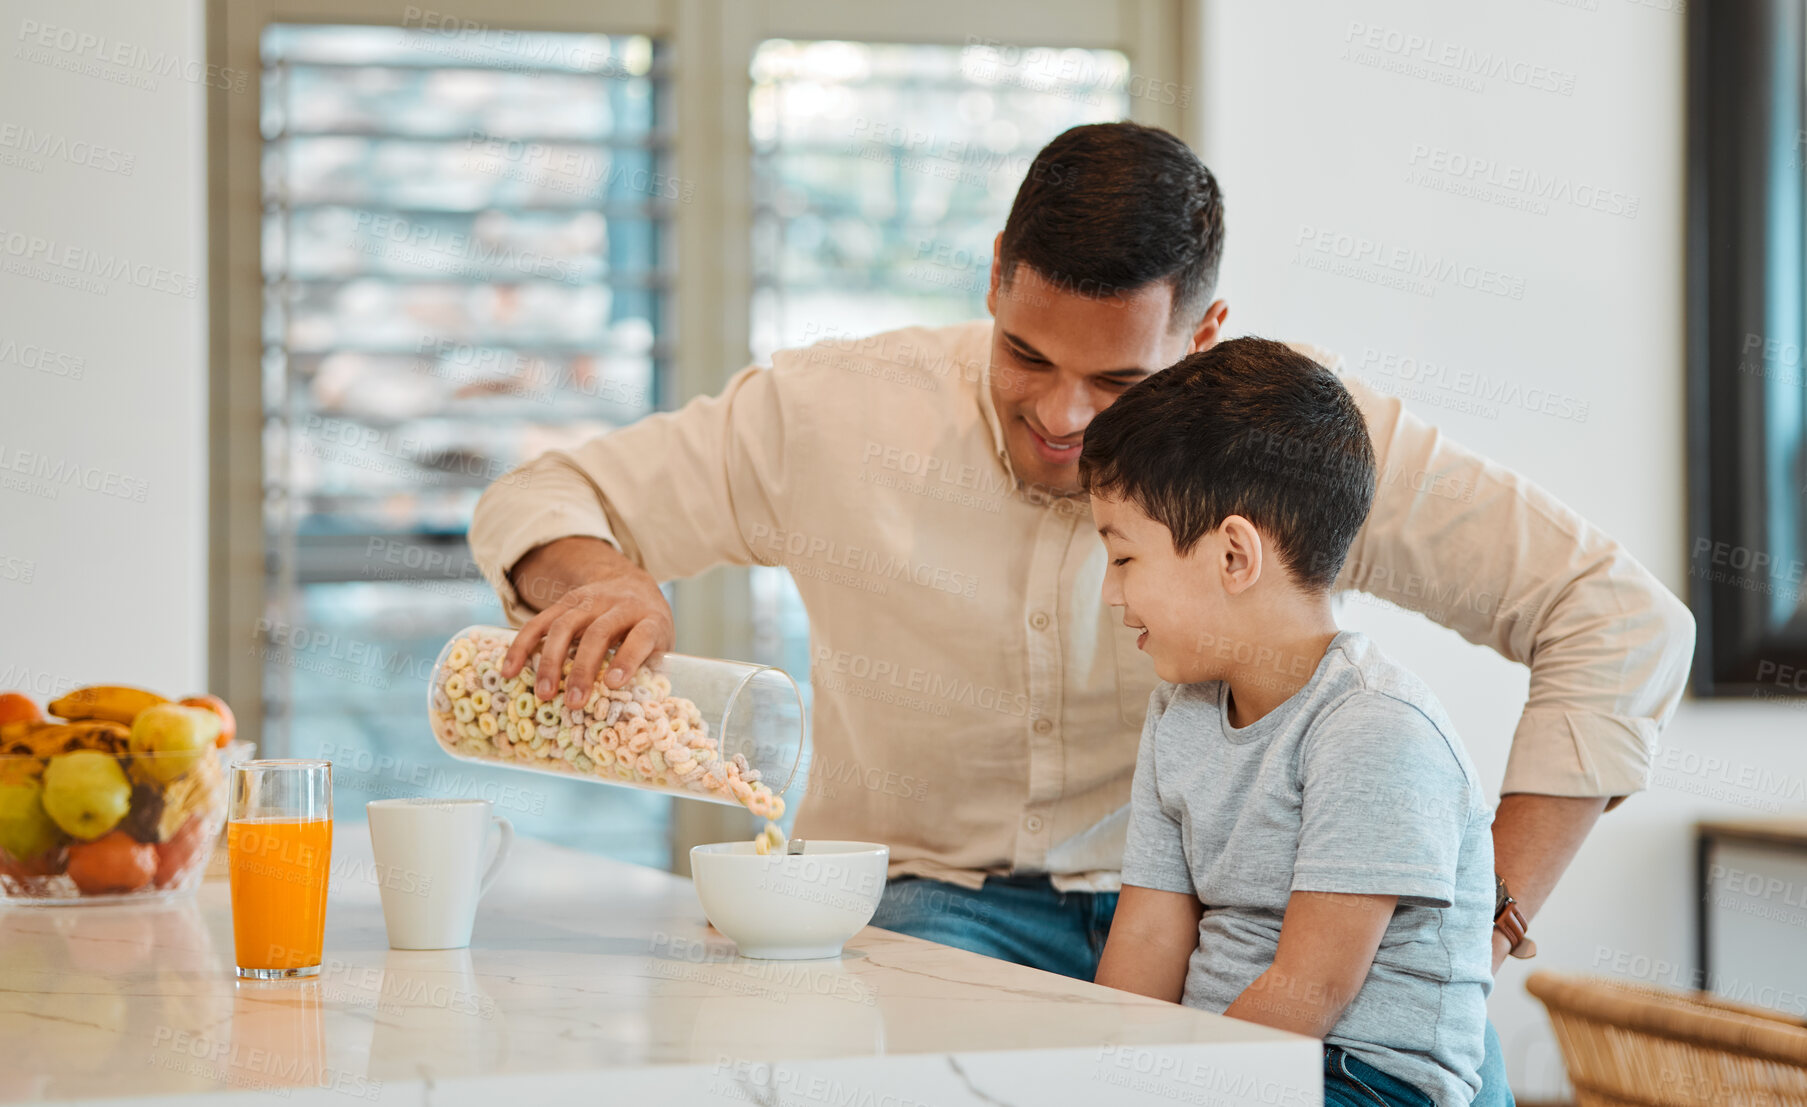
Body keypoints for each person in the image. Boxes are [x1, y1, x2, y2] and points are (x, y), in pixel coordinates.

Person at [468, 122, 1694, 1104]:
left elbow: (1617, 616)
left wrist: (1489, 912)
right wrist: (604, 576)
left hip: (1252, 925)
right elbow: (544, 492)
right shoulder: (831, 413)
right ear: (996, 271)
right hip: (941, 904)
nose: (1061, 416)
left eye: (1117, 380)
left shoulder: (1292, 438)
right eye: (1025, 355)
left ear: (1206, 332)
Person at [1086, 338, 1492, 1107]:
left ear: (1234, 555)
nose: (1111, 594)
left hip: (1356, 1076)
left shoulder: (1373, 726)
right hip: (1232, 1064)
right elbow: (1145, 936)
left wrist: (1172, 1090)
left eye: (1124, 559)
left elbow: (1311, 989)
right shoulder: (1180, 712)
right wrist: (1110, 1075)